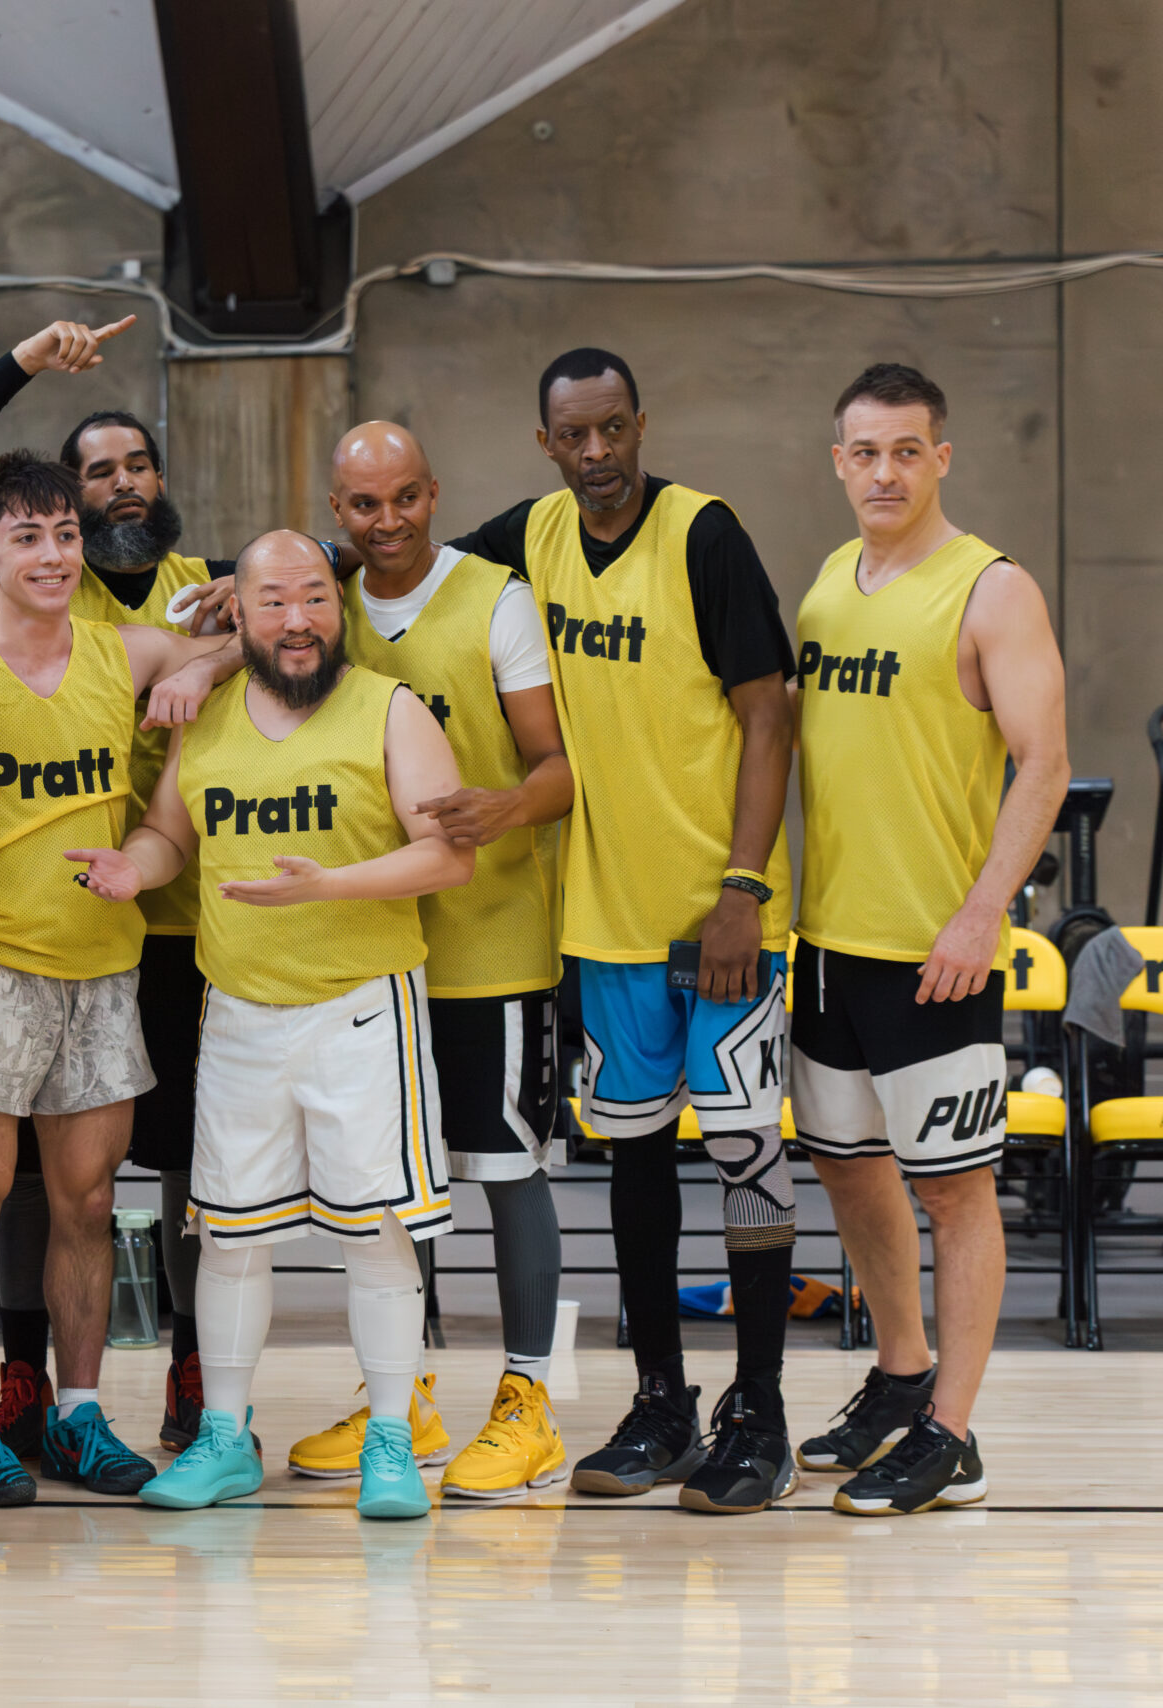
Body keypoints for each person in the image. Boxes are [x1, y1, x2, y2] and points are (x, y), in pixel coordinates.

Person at [446, 348, 801, 1516]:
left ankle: (761, 1410)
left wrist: (742, 885)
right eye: (573, 436)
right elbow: (404, 564)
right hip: (602, 920)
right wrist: (264, 578)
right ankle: (662, 1400)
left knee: (746, 1152)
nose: (596, 454)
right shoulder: (531, 536)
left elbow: (768, 712)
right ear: (544, 442)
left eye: (612, 430)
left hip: (720, 917)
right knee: (636, 1165)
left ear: (640, 424)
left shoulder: (704, 535)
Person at [68, 531, 475, 1521]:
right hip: (240, 1013)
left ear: (336, 610)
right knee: (230, 1240)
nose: (298, 620)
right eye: (275, 602)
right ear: (236, 616)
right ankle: (222, 1436)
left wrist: (330, 885)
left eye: (315, 600)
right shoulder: (204, 720)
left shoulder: (391, 709)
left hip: (359, 1009)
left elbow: (449, 856)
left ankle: (389, 1437)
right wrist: (135, 867)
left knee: (377, 1234)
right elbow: (170, 832)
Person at [0, 330, 223, 1452]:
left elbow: (235, 646)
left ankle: (82, 1411)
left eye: (65, 533)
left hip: (104, 964)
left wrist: (192, 673)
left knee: (89, 1204)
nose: (51, 552)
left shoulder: (119, 649)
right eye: (26, 535)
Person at [280, 421, 576, 1500]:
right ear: (338, 507)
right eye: (363, 505)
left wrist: (504, 805)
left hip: (488, 943)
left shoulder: (492, 598)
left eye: (405, 497)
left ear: (433, 490)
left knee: (502, 1172)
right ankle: (404, 1395)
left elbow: (554, 768)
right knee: (392, 1189)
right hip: (372, 945)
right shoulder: (324, 610)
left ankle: (529, 1400)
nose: (387, 520)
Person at [789, 364, 1067, 1514]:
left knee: (955, 1192)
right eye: (864, 451)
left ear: (940, 458)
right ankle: (900, 1378)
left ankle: (952, 1431)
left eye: (906, 450)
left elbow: (1042, 763)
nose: (884, 471)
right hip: (826, 942)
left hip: (933, 948)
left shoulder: (991, 589)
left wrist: (980, 911)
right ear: (837, 460)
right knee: (848, 1168)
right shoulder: (824, 587)